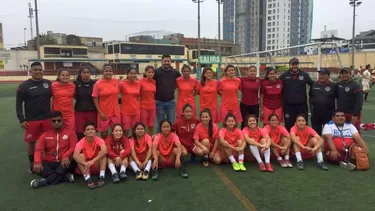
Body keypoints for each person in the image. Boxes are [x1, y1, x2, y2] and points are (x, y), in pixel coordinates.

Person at [16, 62, 52, 171]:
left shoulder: (48, 83)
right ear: (31, 71)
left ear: (43, 71)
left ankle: (47, 161)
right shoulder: (24, 86)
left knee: (48, 141)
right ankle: (32, 163)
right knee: (31, 142)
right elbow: (18, 104)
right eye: (35, 70)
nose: (38, 72)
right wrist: (21, 119)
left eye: (40, 70)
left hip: (47, 118)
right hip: (32, 119)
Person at [30, 111, 77, 189]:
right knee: (32, 165)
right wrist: (37, 162)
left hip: (64, 162)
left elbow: (73, 147)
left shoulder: (71, 133)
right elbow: (38, 150)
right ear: (51, 122)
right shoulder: (45, 135)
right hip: (49, 162)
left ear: (62, 121)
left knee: (70, 162)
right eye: (53, 121)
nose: (56, 122)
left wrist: (66, 156)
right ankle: (65, 177)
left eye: (59, 120)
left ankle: (43, 182)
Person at [279, 58, 313, 131]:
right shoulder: (284, 76)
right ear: (290, 65)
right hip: (288, 105)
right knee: (289, 125)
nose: (294, 66)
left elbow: (313, 85)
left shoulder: (304, 75)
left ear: (298, 65)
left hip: (301, 105)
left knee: (303, 125)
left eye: (296, 64)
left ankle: (303, 141)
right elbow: (277, 84)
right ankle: (290, 141)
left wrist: (311, 95)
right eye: (293, 64)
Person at [73, 122, 108, 189]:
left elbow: (105, 151)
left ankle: (102, 176)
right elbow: (75, 155)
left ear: (95, 131)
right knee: (80, 156)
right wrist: (85, 163)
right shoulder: (81, 142)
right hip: (86, 168)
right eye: (88, 129)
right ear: (84, 133)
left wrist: (93, 161)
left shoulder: (99, 140)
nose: (90, 130)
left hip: (96, 165)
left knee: (102, 153)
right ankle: (87, 179)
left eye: (92, 129)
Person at [92, 64, 121, 139]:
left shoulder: (116, 82)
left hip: (115, 112)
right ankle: (104, 149)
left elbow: (119, 94)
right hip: (104, 112)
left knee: (116, 132)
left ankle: (114, 148)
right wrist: (100, 112)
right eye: (106, 71)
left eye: (110, 71)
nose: (108, 72)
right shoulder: (98, 84)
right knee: (104, 133)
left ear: (112, 72)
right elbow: (95, 98)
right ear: (103, 72)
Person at [154, 54, 182, 126]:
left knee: (172, 123)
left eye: (168, 61)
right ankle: (159, 137)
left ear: (171, 62)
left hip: (171, 102)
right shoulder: (156, 72)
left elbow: (182, 81)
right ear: (161, 62)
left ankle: (171, 137)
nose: (167, 63)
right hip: (159, 102)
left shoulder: (175, 72)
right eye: (165, 61)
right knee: (160, 124)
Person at [309, 69, 336, 135]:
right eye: (320, 74)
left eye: (323, 74)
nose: (321, 76)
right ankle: (317, 145)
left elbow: (338, 99)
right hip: (316, 114)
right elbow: (310, 98)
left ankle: (328, 145)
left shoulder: (333, 86)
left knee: (328, 133)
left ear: (328, 76)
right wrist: (311, 111)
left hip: (328, 114)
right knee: (316, 134)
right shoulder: (314, 85)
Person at [336, 68, 363, 132]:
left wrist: (355, 115)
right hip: (341, 114)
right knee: (342, 131)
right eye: (342, 73)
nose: (344, 75)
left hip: (352, 114)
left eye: (346, 73)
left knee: (354, 131)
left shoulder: (356, 86)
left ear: (350, 74)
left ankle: (357, 142)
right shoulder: (338, 85)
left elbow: (359, 101)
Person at [74, 66, 97, 140]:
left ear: (90, 74)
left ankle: (91, 149)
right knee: (80, 132)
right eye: (84, 72)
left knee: (91, 132)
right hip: (80, 111)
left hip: (92, 111)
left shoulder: (95, 83)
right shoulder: (76, 83)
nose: (86, 74)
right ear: (80, 74)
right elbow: (74, 95)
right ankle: (81, 149)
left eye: (88, 72)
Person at [120, 67, 141, 136]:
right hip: (126, 111)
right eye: (131, 73)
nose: (133, 75)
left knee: (135, 131)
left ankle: (134, 145)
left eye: (134, 73)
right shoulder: (122, 84)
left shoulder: (138, 83)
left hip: (136, 111)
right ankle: (125, 145)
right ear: (127, 74)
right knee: (125, 130)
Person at [139, 66, 156, 135]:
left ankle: (149, 141)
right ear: (145, 73)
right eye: (149, 72)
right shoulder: (140, 81)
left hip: (153, 107)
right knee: (143, 126)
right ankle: (142, 141)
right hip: (143, 107)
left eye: (152, 72)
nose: (150, 74)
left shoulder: (154, 82)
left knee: (151, 126)